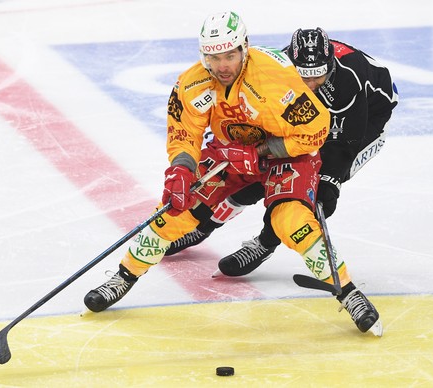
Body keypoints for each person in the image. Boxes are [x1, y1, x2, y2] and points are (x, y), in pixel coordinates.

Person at [84, 13, 382, 335]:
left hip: (288, 155)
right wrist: (182, 169)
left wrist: (261, 152)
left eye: (230, 55)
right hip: (230, 151)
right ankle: (124, 276)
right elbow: (184, 133)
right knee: (174, 209)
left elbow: (314, 131)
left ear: (244, 48)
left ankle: (348, 291)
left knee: (291, 220)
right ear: (203, 55)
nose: (223, 65)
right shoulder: (191, 83)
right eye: (213, 57)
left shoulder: (276, 78)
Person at [166, 27, 399, 282]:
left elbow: (345, 144)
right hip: (312, 120)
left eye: (318, 77)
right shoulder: (279, 68)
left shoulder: (347, 83)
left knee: (318, 191)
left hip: (364, 121)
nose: (310, 85)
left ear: (330, 68)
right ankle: (207, 224)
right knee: (258, 172)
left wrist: (329, 181)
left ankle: (265, 243)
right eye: (304, 78)